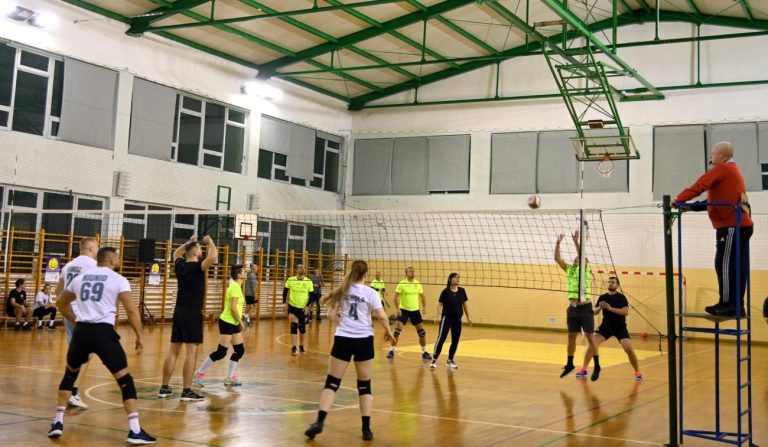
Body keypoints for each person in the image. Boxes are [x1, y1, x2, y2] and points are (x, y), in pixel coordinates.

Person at [48, 247, 156, 444]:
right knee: (125, 380)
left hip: (82, 332)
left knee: (69, 375)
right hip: (103, 333)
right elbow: (132, 310)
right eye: (118, 258)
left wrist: (75, 321)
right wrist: (140, 336)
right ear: (112, 260)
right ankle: (135, 430)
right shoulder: (118, 279)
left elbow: (61, 303)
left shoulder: (80, 279)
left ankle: (57, 422)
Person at [304, 260, 395, 441]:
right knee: (364, 386)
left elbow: (330, 315)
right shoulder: (371, 292)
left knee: (332, 383)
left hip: (343, 339)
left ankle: (319, 422)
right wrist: (388, 332)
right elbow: (382, 316)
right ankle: (366, 429)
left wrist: (344, 324)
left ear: (351, 272)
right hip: (364, 340)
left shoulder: (342, 290)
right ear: (366, 274)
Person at [675, 141, 754, 317]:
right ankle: (734, 304)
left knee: (724, 264)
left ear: (722, 155)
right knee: (734, 266)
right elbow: (716, 201)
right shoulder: (731, 171)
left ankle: (728, 304)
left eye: (713, 153)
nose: (711, 156)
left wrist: (679, 199)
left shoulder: (723, 168)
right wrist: (691, 207)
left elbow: (700, 185)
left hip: (732, 225)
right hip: (740, 225)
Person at [159, 235, 217, 401]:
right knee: (191, 353)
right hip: (192, 313)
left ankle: (164, 388)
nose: (202, 251)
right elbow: (213, 256)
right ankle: (186, 391)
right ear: (196, 252)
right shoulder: (198, 267)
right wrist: (209, 242)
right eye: (200, 249)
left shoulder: (180, 265)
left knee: (173, 351)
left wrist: (188, 243)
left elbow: (175, 254)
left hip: (179, 311)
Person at [56, 237, 98, 409]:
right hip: (83, 314)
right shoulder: (94, 266)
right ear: (90, 248)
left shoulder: (67, 266)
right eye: (96, 247)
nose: (98, 251)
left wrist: (66, 308)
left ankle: (68, 389)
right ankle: (73, 391)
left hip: (68, 312)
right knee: (86, 354)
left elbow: (59, 292)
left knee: (76, 352)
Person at [576, 277, 643, 382]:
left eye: (613, 282)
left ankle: (637, 372)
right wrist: (596, 308)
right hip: (606, 327)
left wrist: (610, 308)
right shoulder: (603, 297)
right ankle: (583, 369)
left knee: (629, 349)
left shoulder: (621, 297)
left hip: (620, 327)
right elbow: (596, 312)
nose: (611, 283)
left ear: (617, 285)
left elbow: (625, 312)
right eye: (609, 282)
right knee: (592, 344)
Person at [194, 264, 247, 387]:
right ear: (239, 275)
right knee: (221, 352)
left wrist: (238, 321)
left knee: (239, 351)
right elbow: (233, 308)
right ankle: (199, 373)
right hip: (227, 322)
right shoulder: (235, 287)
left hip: (233, 322)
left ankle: (229, 378)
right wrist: (241, 321)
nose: (246, 273)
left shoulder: (237, 287)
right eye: (244, 272)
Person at [554, 230, 597, 378]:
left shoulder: (585, 269)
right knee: (571, 337)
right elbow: (557, 258)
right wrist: (558, 243)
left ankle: (596, 365)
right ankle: (570, 364)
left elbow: (582, 256)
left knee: (590, 337)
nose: (576, 260)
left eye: (579, 259)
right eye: (575, 259)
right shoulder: (570, 269)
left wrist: (576, 241)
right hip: (572, 308)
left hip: (585, 307)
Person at [387, 267, 431, 360]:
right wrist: (397, 309)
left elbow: (422, 296)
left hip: (415, 311)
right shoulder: (402, 283)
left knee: (422, 333)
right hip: (404, 310)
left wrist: (424, 307)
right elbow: (395, 297)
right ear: (406, 273)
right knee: (396, 332)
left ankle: (424, 351)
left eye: (413, 271)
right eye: (410, 271)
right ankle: (391, 350)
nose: (413, 273)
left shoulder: (417, 283)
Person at [430, 273, 471, 370]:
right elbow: (440, 304)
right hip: (446, 319)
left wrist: (468, 317)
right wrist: (437, 316)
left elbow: (465, 304)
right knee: (441, 339)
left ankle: (450, 360)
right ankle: (434, 360)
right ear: (450, 279)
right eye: (455, 277)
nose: (457, 279)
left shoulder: (462, 291)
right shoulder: (445, 291)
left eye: (458, 277)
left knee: (455, 341)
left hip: (457, 319)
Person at [285, 263, 314, 355]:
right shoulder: (290, 280)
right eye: (300, 268)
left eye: (303, 268)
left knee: (302, 329)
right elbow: (285, 291)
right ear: (296, 270)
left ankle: (301, 346)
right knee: (293, 326)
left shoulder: (308, 281)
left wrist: (307, 306)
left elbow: (312, 296)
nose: (302, 269)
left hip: (303, 308)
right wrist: (284, 303)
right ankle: (294, 347)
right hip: (292, 307)